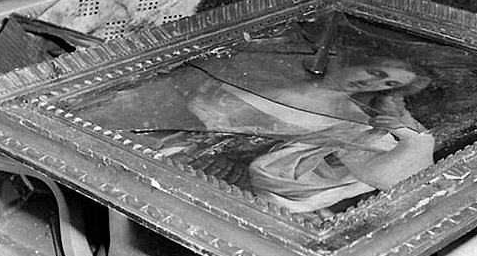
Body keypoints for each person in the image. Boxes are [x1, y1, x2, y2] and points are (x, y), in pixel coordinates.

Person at [186, 55, 435, 214]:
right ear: (352, 60)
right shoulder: (277, 70)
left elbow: (387, 173)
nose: (374, 83)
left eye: (389, 84)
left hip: (216, 185)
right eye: (376, 72)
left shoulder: (352, 121)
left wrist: (412, 138)